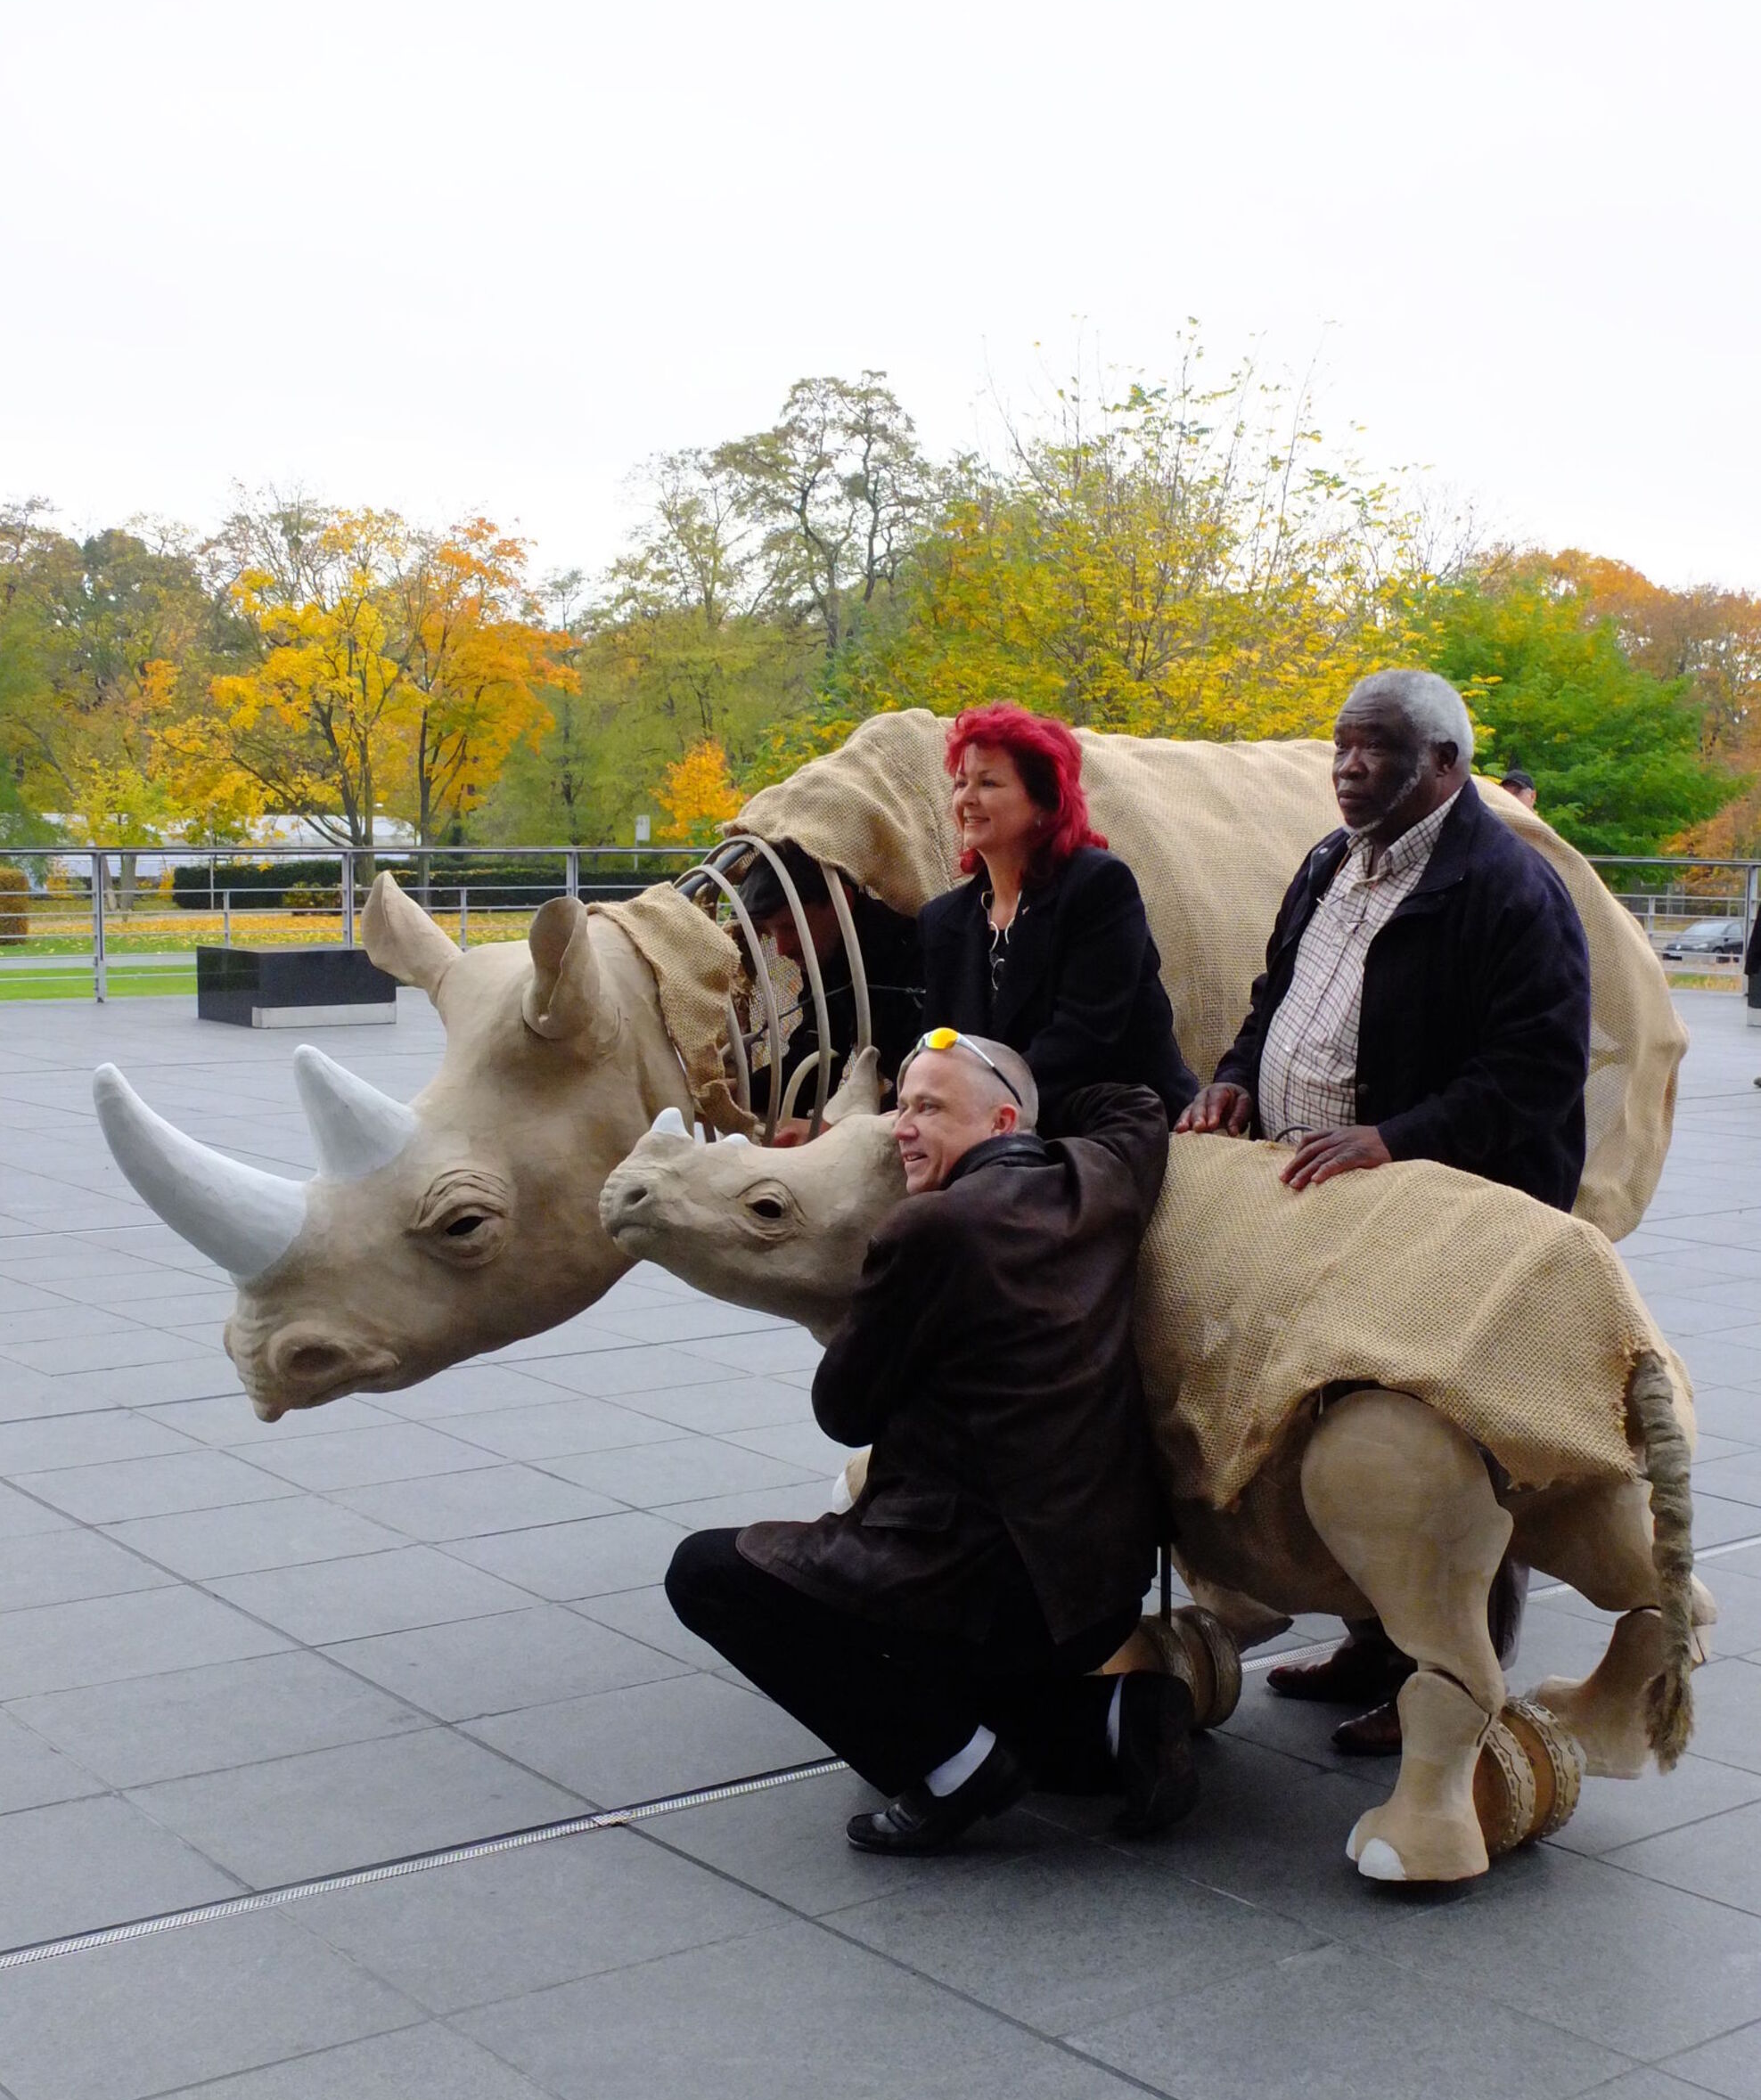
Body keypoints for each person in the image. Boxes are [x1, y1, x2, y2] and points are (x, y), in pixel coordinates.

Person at [1177, 667, 1591, 1751]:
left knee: (1436, 1438)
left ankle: (1449, 1679)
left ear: (1444, 766)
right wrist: (1232, 1075)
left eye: (1375, 751)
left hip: (1441, 1215)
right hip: (1332, 1208)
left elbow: (1536, 1070)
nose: (1347, 769)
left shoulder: (1508, 888)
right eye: (1340, 748)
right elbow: (1277, 1001)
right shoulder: (1328, 862)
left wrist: (1394, 1136)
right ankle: (1374, 1639)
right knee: (1338, 1417)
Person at [664, 1033, 1195, 1854]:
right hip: (1097, 1592)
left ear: (1002, 1121)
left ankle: (955, 1770)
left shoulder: (929, 1229)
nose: (899, 1128)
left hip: (981, 1584)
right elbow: (1135, 1103)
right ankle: (1124, 1718)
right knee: (930, 1683)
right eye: (900, 1104)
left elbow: (843, 1409)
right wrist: (998, 1080)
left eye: (930, 1107)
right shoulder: (1104, 1178)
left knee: (706, 1572)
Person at [919, 704, 1198, 1130]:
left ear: (1044, 803)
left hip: (1117, 1125)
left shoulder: (1098, 887)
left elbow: (1082, 1041)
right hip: (1001, 1130)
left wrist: (977, 1111)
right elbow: (942, 1050)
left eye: (988, 782)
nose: (966, 799)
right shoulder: (944, 920)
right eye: (960, 783)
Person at [735, 844, 924, 1141]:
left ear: (842, 902)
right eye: (771, 933)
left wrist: (837, 1130)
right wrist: (740, 1092)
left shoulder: (916, 951)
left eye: (791, 926)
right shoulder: (828, 954)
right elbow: (817, 1053)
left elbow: (931, 1080)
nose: (782, 948)